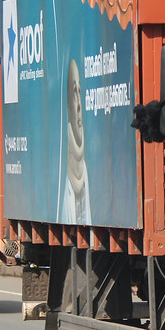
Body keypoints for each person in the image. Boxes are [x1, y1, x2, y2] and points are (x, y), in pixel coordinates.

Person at [61, 58, 92, 224]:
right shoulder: (64, 195)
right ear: (68, 104)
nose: (79, 105)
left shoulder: (86, 174)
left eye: (79, 93)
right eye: (74, 93)